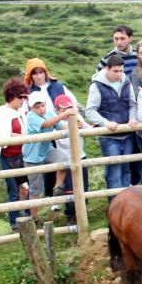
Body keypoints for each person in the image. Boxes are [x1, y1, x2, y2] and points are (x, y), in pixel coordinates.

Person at [85, 55, 138, 199]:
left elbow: (133, 104)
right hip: (109, 136)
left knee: (126, 168)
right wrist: (105, 123)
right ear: (107, 69)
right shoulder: (97, 85)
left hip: (126, 132)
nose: (119, 74)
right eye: (116, 71)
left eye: (121, 71)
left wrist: (133, 117)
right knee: (114, 170)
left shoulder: (126, 81)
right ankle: (115, 203)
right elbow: (90, 110)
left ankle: (126, 201)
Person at [22, 91, 73, 222]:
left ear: (45, 104)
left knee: (64, 160)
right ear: (32, 108)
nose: (40, 109)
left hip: (46, 149)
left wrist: (73, 126)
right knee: (36, 189)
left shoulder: (50, 114)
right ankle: (33, 218)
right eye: (37, 107)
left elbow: (60, 126)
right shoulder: (31, 117)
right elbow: (46, 124)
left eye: (42, 106)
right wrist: (63, 115)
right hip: (32, 155)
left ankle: (58, 187)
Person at [0, 78, 30, 232]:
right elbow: (4, 134)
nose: (23, 100)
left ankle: (27, 216)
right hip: (7, 156)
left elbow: (21, 132)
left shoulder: (21, 112)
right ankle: (14, 223)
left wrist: (20, 137)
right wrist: (20, 136)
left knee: (27, 187)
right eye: (20, 97)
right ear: (11, 96)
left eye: (24, 97)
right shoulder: (3, 112)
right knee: (13, 190)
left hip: (22, 154)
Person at [53, 95, 90, 225]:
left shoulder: (77, 117)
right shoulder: (56, 122)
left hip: (80, 155)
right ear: (57, 110)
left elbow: (89, 129)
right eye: (64, 109)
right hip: (65, 157)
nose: (68, 111)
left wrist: (82, 127)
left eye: (69, 107)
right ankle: (71, 215)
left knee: (84, 186)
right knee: (69, 188)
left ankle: (83, 213)